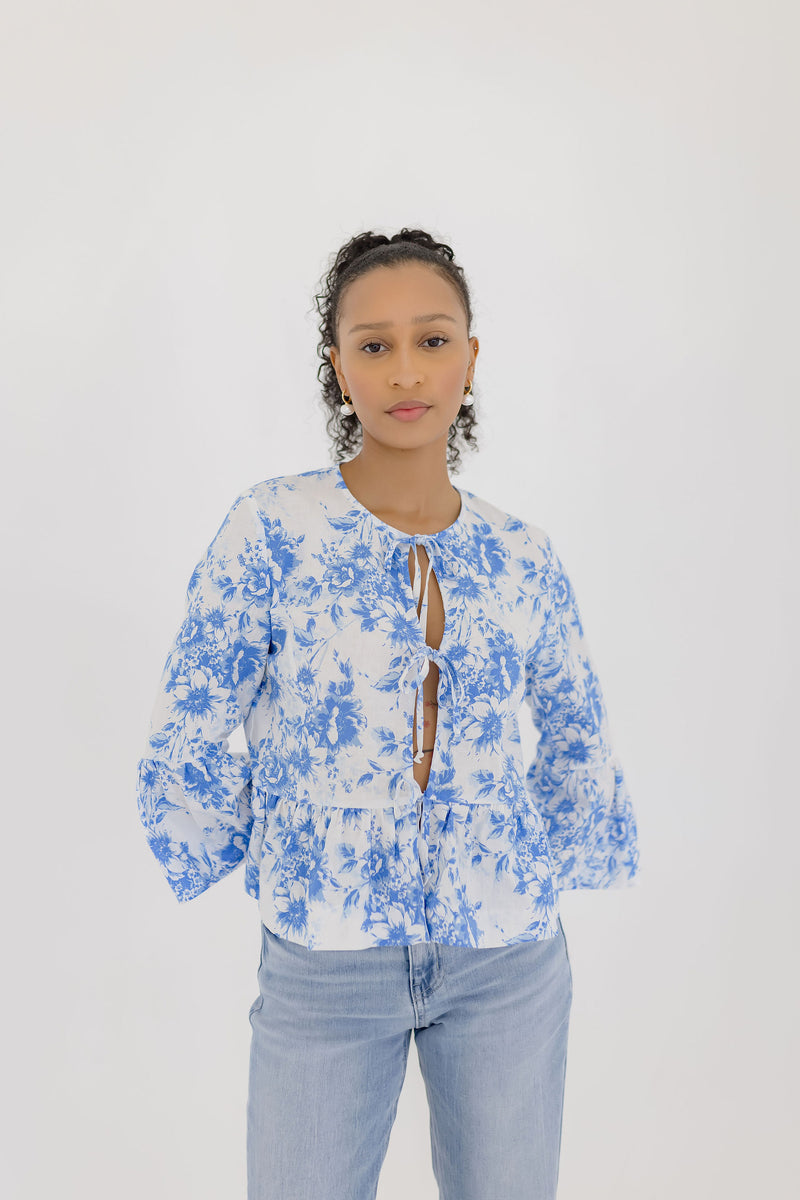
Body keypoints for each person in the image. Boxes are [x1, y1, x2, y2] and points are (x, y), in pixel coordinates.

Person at [136, 228, 640, 1200]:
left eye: (432, 339)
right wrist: (254, 840)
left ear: (470, 357)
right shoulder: (272, 528)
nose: (405, 369)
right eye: (374, 345)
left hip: (505, 957)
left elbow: (576, 729)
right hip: (325, 957)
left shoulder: (522, 554)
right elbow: (190, 713)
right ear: (338, 366)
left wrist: (560, 847)